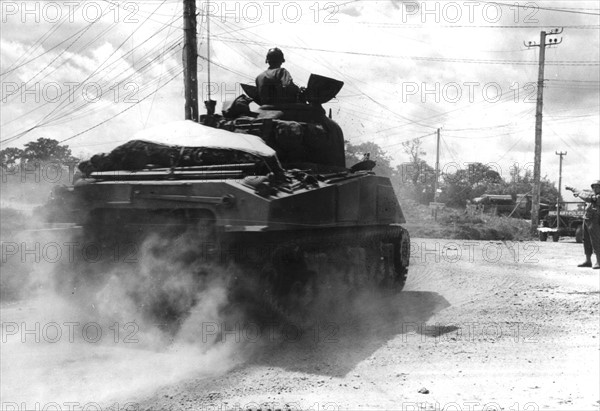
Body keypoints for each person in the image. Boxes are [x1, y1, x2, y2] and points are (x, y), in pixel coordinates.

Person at [566, 180, 600, 269]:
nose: (595, 188)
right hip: (587, 219)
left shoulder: (597, 197)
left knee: (595, 241)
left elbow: (587, 197)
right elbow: (586, 196)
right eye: (594, 187)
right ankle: (588, 260)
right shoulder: (592, 195)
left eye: (598, 186)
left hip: (596, 220)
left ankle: (599, 261)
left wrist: (573, 189)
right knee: (586, 240)